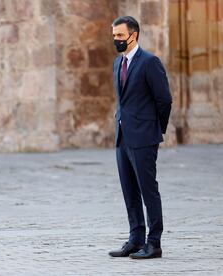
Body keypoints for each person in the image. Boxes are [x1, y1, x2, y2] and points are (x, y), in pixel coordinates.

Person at [108, 16, 172, 259]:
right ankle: (135, 239)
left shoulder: (149, 62)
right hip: (122, 136)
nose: (116, 40)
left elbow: (164, 100)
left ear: (133, 35)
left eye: (120, 36)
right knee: (129, 190)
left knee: (148, 190)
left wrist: (156, 129)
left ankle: (153, 243)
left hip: (144, 136)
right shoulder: (117, 63)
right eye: (114, 36)